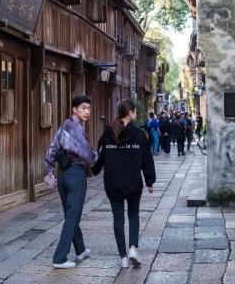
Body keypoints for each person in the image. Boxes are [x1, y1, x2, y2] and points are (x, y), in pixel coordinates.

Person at [92, 99, 156, 268]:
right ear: (130, 113)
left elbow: (100, 154)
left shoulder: (108, 132)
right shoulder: (139, 134)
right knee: (133, 215)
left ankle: (123, 258)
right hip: (133, 182)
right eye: (134, 111)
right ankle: (133, 249)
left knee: (118, 219)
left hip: (113, 182)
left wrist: (95, 170)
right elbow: (146, 158)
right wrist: (150, 180)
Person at [43, 95, 98, 269]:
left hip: (63, 175)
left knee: (70, 214)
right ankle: (59, 257)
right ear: (74, 109)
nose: (87, 111)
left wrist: (50, 170)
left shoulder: (63, 126)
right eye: (83, 108)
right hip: (75, 174)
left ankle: (80, 250)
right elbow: (88, 154)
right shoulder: (77, 128)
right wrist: (99, 157)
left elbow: (52, 150)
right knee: (73, 216)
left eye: (88, 108)